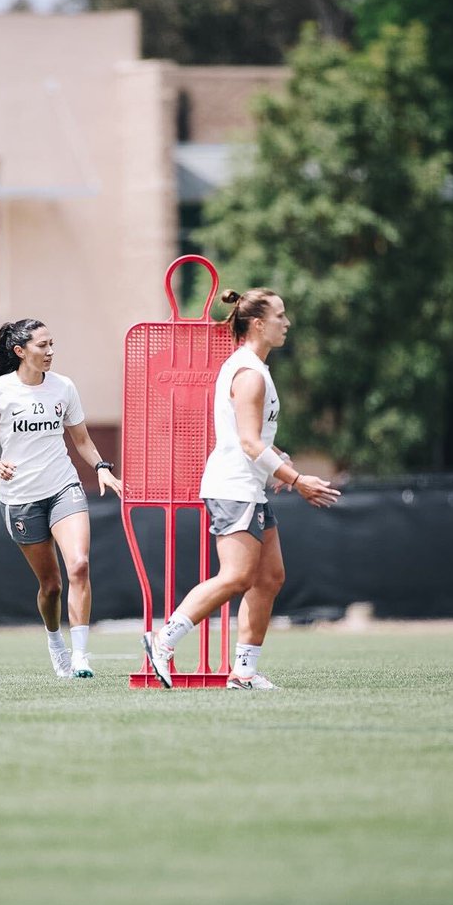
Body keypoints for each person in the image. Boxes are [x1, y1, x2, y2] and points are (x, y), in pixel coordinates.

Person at [142, 287, 340, 690]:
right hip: (234, 488)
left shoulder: (255, 368)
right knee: (236, 577)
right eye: (280, 316)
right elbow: (249, 444)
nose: (287, 324)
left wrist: (278, 460)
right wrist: (297, 480)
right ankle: (163, 639)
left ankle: (244, 673)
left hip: (249, 487)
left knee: (270, 577)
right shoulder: (249, 372)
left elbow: (250, 439)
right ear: (258, 323)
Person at [0, 318, 122, 679]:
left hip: (63, 488)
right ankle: (56, 644)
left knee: (80, 565)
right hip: (21, 499)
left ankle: (81, 656)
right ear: (20, 351)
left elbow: (81, 440)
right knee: (51, 585)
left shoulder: (64, 388)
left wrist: (101, 467)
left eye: (52, 344)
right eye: (42, 345)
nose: (50, 351)